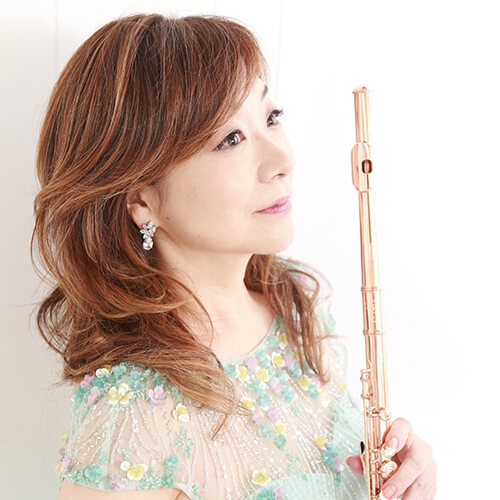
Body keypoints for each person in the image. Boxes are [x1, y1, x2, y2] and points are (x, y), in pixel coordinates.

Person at [31, 13, 437, 500]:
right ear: (141, 200)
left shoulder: (298, 310)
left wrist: (406, 475)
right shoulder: (133, 421)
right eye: (230, 139)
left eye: (271, 118)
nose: (283, 161)